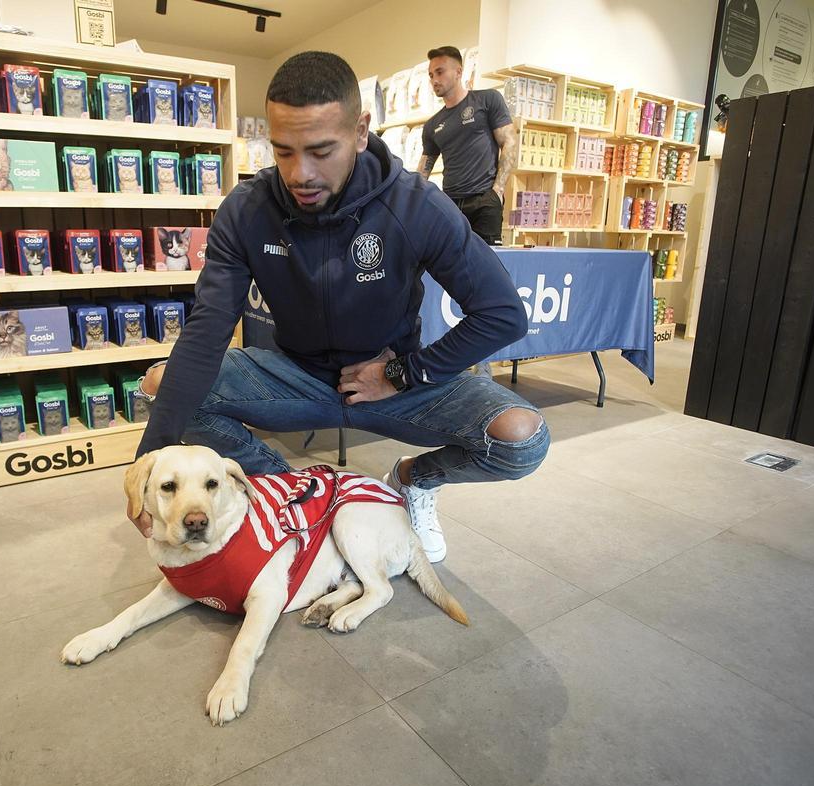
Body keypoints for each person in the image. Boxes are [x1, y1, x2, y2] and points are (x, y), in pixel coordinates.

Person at [133, 52, 549, 563]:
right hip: (295, 376)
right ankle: (302, 496)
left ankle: (411, 481)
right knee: (162, 387)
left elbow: (503, 314)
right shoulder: (247, 209)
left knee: (521, 440)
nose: (299, 173)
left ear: (360, 131)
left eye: (320, 151)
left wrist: (402, 373)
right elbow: (206, 333)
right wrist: (148, 460)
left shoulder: (416, 204)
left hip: (394, 382)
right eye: (284, 152)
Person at [418, 46, 517, 247]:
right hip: (450, 205)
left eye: (440, 72)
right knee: (450, 262)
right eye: (431, 75)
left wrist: (497, 191)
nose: (434, 80)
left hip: (484, 202)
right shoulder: (432, 125)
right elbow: (423, 170)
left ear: (458, 72)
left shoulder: (487, 100)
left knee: (487, 263)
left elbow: (509, 141)